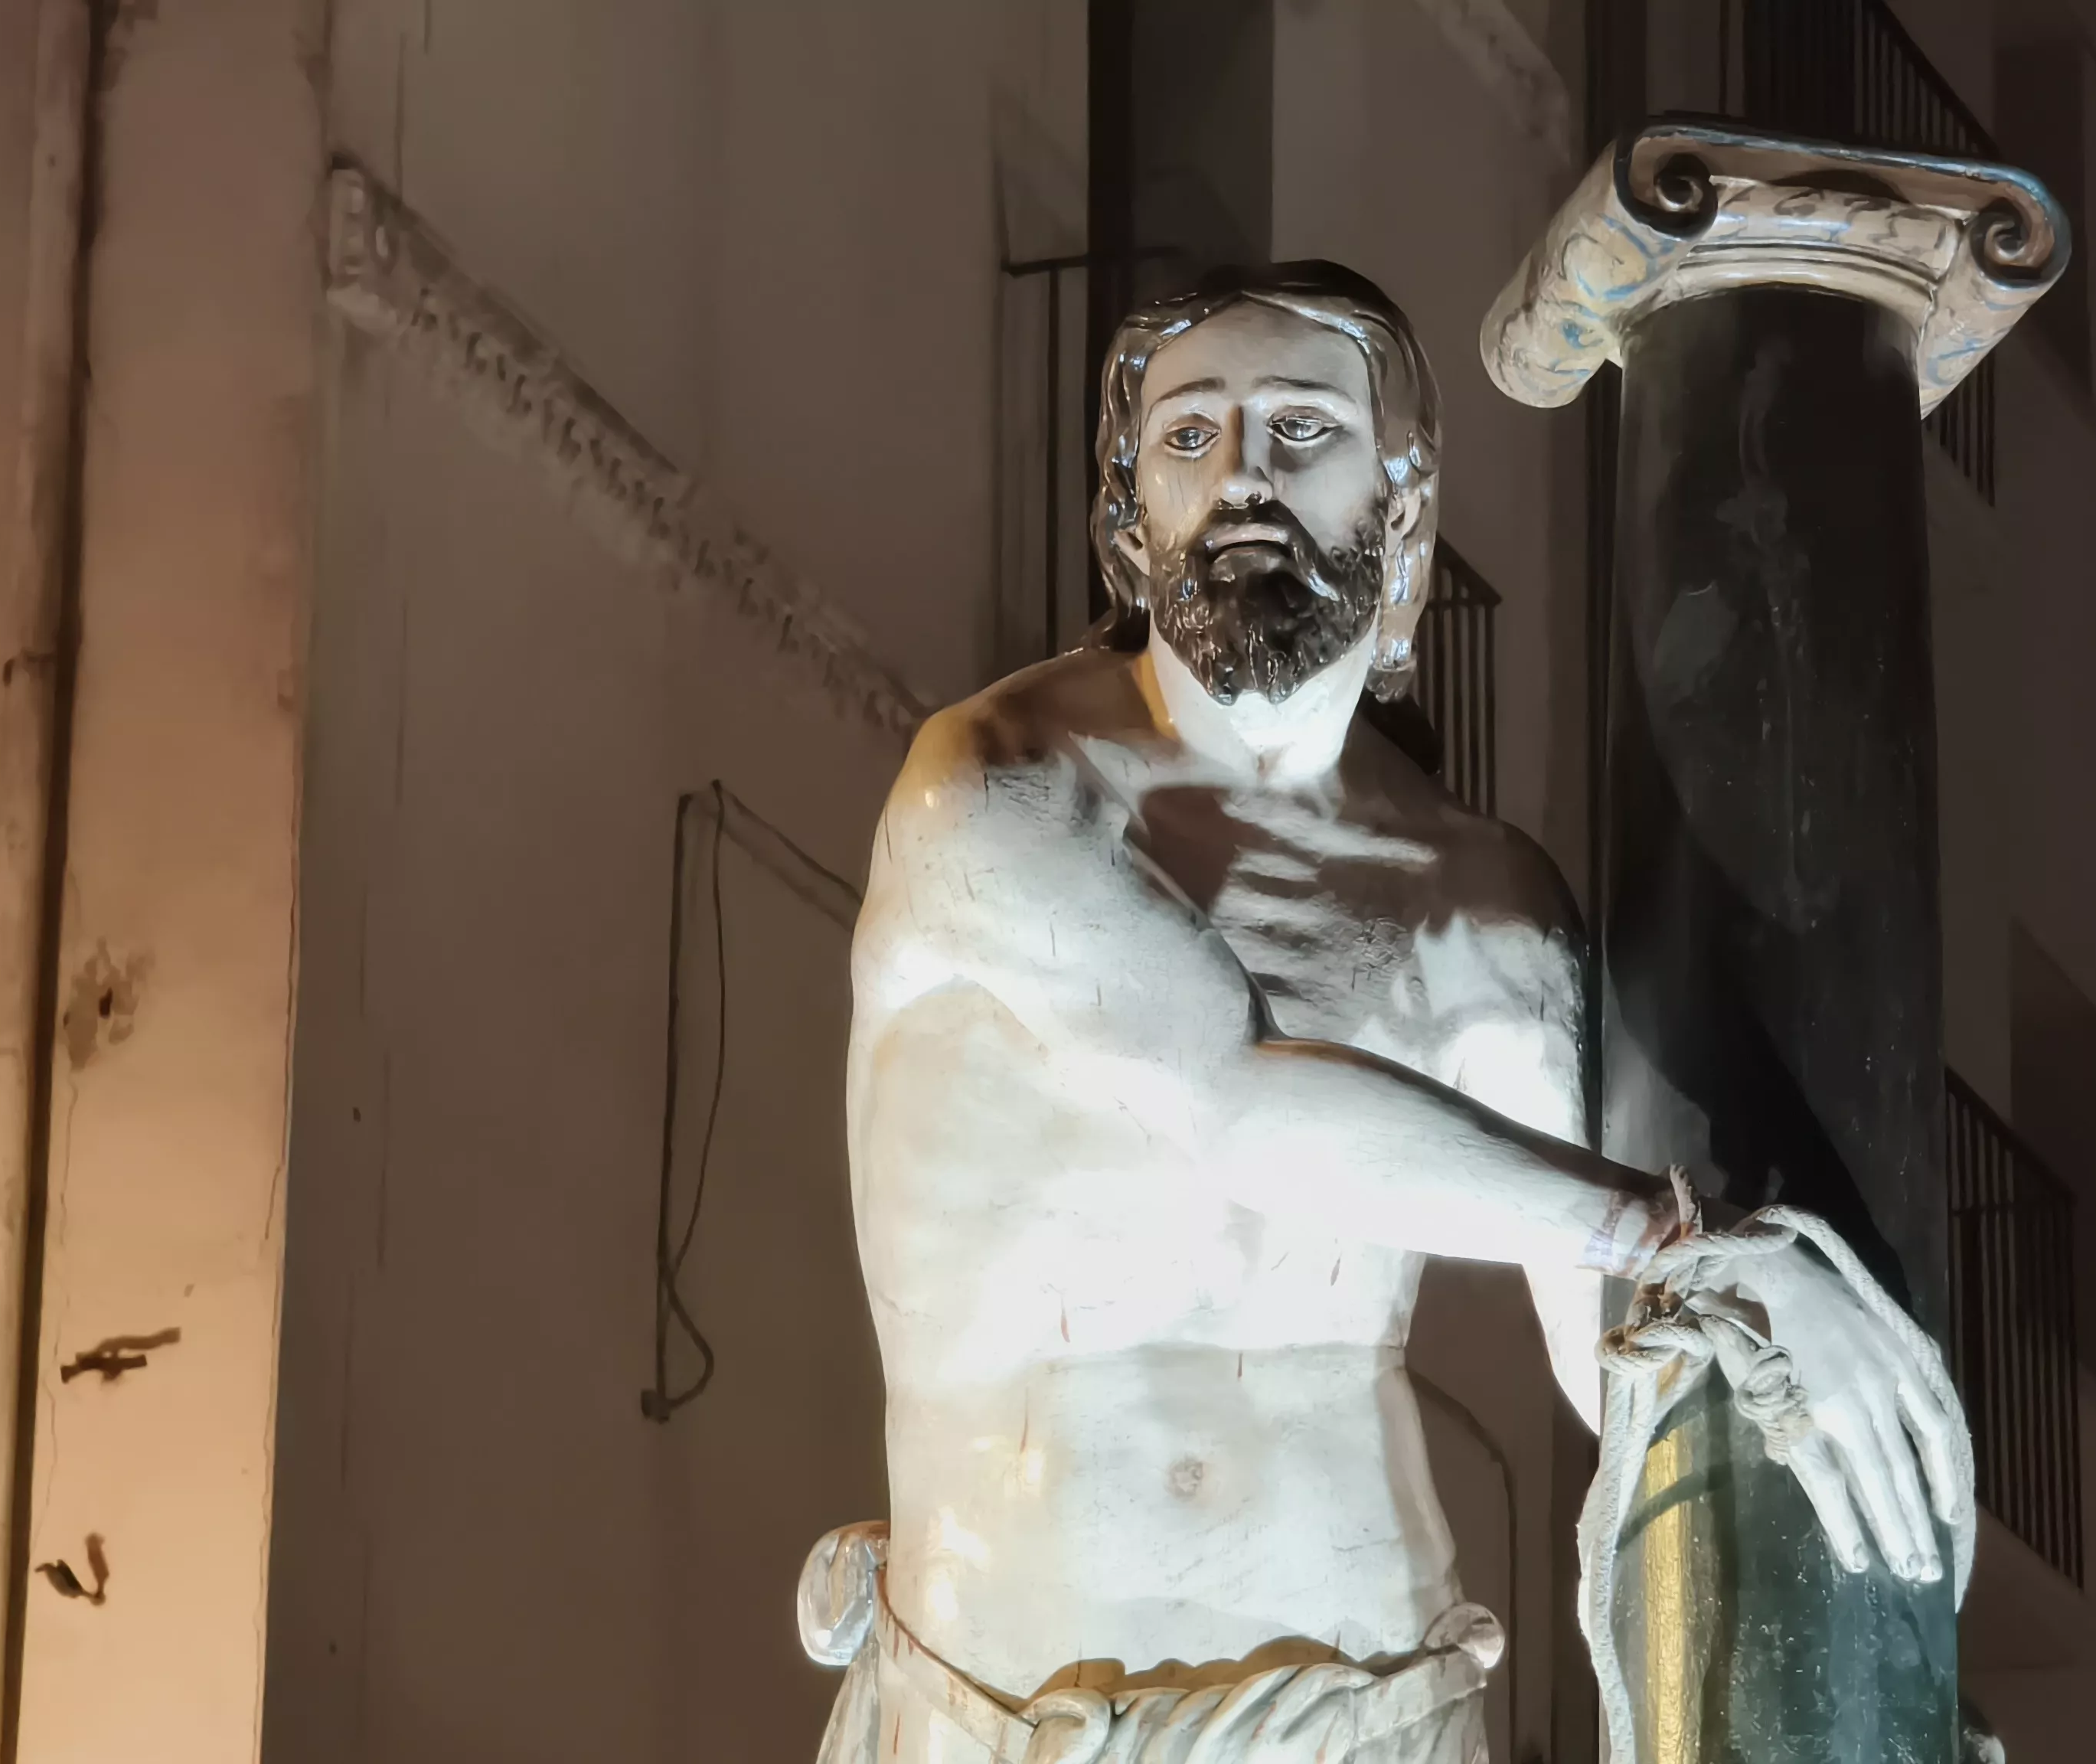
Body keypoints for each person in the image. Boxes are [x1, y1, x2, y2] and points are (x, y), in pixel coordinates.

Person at [818, 263, 1967, 1764]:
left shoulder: (1475, 902)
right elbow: (1230, 1102)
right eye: (1187, 438)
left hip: (1383, 1706)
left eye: (1298, 433)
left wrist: (1801, 1407)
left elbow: (1612, 1362)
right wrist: (1676, 1241)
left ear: (1403, 506)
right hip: (1018, 1709)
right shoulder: (998, 789)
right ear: (1126, 519)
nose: (1237, 475)